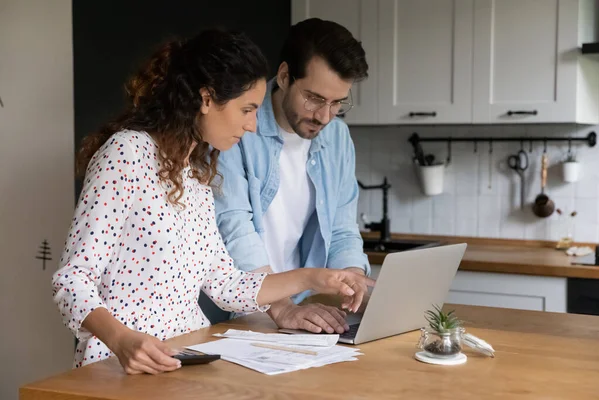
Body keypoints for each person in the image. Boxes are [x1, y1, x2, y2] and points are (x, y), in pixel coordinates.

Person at [52, 29, 374, 375]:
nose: (252, 125)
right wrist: (121, 339)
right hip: (117, 367)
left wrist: (313, 278)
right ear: (207, 99)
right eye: (247, 109)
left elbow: (225, 284)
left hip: (187, 360)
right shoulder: (127, 153)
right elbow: (71, 280)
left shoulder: (197, 176)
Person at [214, 18, 370, 335]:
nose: (324, 116)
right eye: (314, 98)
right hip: (242, 310)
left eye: (337, 102)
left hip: (300, 311)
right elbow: (234, 227)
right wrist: (282, 307)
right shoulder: (236, 130)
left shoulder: (337, 138)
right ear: (285, 76)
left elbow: (342, 226)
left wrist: (352, 276)